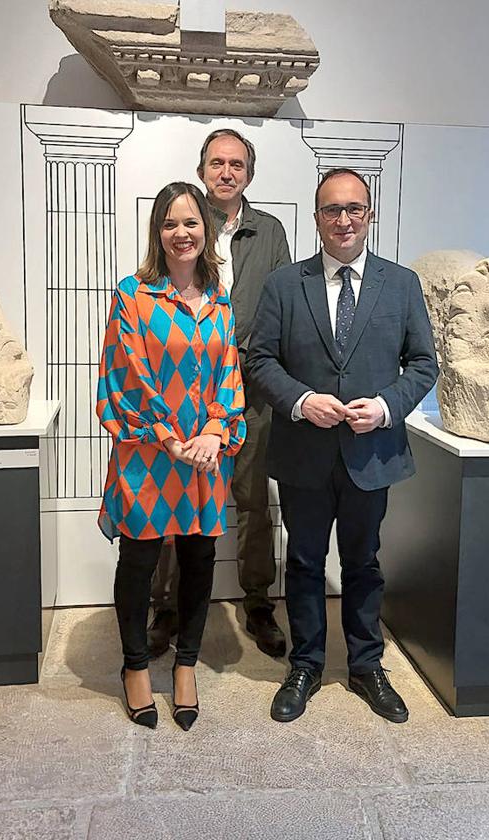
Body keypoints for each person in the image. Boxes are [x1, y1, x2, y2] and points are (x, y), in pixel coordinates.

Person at [245, 168, 439, 723]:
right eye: (332, 209)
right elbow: (260, 360)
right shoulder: (285, 284)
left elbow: (423, 364)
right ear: (317, 218)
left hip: (370, 454)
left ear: (370, 214)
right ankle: (305, 665)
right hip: (303, 452)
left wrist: (386, 407)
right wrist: (302, 400)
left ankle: (366, 666)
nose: (344, 219)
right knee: (304, 562)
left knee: (364, 563)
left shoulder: (400, 284)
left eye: (354, 208)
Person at [97, 181, 246, 731]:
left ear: (207, 230)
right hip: (147, 451)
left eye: (191, 223)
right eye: (169, 223)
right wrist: (169, 436)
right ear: (156, 232)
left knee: (199, 557)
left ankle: (186, 665)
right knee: (138, 560)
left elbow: (228, 370)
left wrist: (214, 430)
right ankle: (135, 666)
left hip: (204, 454)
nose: (181, 233)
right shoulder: (132, 295)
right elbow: (126, 373)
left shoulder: (220, 298)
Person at [147, 129, 292, 660]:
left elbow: (283, 303)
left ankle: (257, 602)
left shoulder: (269, 231)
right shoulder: (185, 223)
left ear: (248, 174)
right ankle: (166, 607)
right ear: (202, 169)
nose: (226, 172)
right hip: (185, 388)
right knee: (175, 495)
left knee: (253, 498)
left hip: (250, 388)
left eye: (236, 164)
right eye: (216, 163)